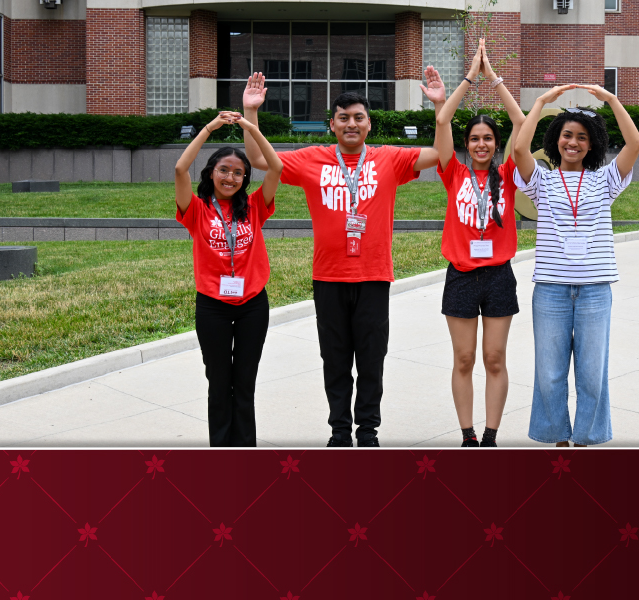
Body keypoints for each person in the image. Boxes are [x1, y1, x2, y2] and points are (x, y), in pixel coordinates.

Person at [240, 73, 446, 447]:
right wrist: (250, 112)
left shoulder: (389, 159)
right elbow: (258, 159)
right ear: (331, 124)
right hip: (330, 277)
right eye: (343, 117)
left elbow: (441, 154)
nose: (351, 123)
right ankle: (339, 431)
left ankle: (367, 431)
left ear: (369, 123)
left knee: (371, 359)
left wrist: (438, 108)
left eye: (358, 117)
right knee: (334, 360)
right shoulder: (310, 161)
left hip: (373, 277)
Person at [512, 83, 639, 447]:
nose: (573, 142)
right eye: (567, 135)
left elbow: (634, 145)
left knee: (591, 373)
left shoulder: (605, 180)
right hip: (551, 290)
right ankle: (556, 435)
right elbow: (520, 147)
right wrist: (539, 102)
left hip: (595, 291)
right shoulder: (542, 180)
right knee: (550, 373)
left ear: (592, 144)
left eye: (582, 137)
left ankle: (586, 436)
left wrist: (613, 100)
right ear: (556, 140)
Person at [431, 40, 526, 447]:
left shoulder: (508, 172)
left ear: (496, 143)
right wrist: (469, 77)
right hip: (462, 275)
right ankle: (467, 434)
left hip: (499, 275)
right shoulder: (452, 172)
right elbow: (442, 124)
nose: (481, 144)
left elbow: (521, 123)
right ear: (466, 144)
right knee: (465, 359)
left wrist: (494, 78)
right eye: (474, 139)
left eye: (488, 138)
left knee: (494, 359)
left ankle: (491, 435)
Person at [174, 109, 283, 447]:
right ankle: (221, 450)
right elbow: (180, 168)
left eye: (238, 173)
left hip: (252, 305)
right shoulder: (196, 209)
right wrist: (210, 127)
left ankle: (245, 450)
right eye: (224, 170)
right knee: (219, 383)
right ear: (211, 173)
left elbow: (276, 167)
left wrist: (250, 125)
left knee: (245, 383)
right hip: (212, 307)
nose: (231, 178)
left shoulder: (254, 206)